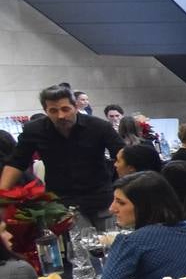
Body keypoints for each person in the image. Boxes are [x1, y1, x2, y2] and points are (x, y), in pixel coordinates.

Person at [1, 85, 126, 224]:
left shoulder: (99, 126)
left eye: (65, 109)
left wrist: (127, 189)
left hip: (100, 198)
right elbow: (17, 163)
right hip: (61, 203)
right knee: (71, 244)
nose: (61, 116)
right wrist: (2, 196)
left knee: (111, 241)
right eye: (53, 111)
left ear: (76, 107)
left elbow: (123, 155)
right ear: (45, 111)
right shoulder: (34, 130)